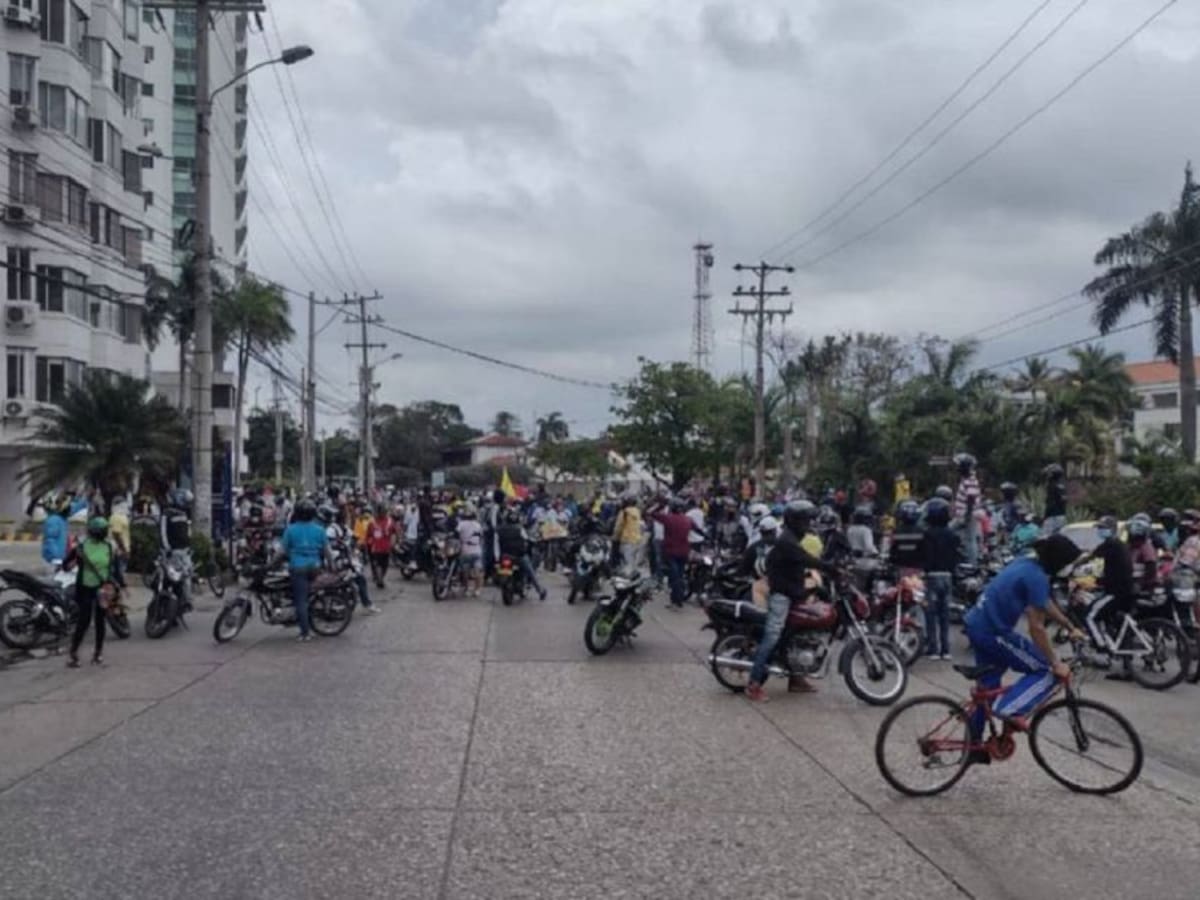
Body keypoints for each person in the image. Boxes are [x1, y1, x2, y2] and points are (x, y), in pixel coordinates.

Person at [962, 533, 1085, 762]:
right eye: (1068, 563)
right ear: (1058, 561)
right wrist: (1055, 662)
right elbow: (1036, 628)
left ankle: (973, 747)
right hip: (993, 632)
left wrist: (1068, 626)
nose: (1069, 568)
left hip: (976, 624)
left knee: (986, 690)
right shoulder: (1036, 577)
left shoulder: (1025, 563)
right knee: (1044, 669)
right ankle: (1010, 710)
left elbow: (1044, 602)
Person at [746, 501, 840, 702]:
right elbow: (806, 559)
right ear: (795, 521)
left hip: (793, 592)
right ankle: (754, 683)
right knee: (773, 637)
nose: (808, 525)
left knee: (798, 633)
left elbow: (797, 565)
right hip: (781, 597)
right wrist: (830, 568)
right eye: (805, 521)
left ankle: (796, 679)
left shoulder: (791, 539)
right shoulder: (787, 541)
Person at [62, 516, 124, 667]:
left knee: (100, 621)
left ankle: (98, 653)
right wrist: (73, 562)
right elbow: (65, 565)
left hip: (102, 589)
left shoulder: (109, 547)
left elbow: (115, 568)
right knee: (84, 621)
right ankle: (74, 653)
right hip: (85, 588)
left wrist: (121, 585)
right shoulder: (81, 547)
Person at [278, 499, 328, 642]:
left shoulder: (291, 530)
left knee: (300, 601)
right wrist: (331, 566)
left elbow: (281, 552)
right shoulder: (320, 529)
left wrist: (270, 564)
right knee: (307, 595)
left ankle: (305, 633)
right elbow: (327, 551)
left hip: (298, 568)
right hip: (315, 567)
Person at [920, 498, 959, 660]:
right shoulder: (952, 535)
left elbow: (924, 556)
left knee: (931, 614)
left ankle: (933, 649)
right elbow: (956, 556)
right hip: (947, 576)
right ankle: (946, 649)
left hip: (931, 576)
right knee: (945, 614)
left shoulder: (927, 535)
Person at [320, 505, 377, 614]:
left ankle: (366, 603)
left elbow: (354, 538)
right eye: (345, 516)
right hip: (335, 561)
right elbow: (330, 546)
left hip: (346, 559)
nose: (347, 518)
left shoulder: (344, 528)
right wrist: (342, 545)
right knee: (352, 580)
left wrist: (354, 545)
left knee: (360, 578)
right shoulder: (331, 530)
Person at [648, 498, 703, 610]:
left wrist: (660, 504)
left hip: (671, 552)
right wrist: (707, 538)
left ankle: (676, 601)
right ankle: (678, 600)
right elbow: (698, 530)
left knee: (675, 577)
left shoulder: (668, 518)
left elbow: (650, 513)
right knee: (680, 575)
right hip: (684, 552)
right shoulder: (688, 519)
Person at [496, 507, 547, 601]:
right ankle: (540, 590)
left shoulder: (499, 529)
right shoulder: (520, 529)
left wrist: (497, 557)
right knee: (531, 572)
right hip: (519, 556)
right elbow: (527, 539)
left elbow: (496, 544)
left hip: (505, 555)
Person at [160, 488, 194, 611]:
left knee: (186, 577)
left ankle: (185, 602)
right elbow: (163, 532)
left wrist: (189, 546)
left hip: (184, 551)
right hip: (171, 552)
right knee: (168, 578)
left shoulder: (184, 514)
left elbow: (188, 531)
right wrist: (167, 548)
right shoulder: (167, 514)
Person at [952, 453, 981, 565]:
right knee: (965, 538)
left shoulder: (970, 480)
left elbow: (971, 499)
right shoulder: (966, 479)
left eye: (959, 466)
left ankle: (972, 564)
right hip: (964, 514)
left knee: (970, 540)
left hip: (967, 515)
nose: (957, 468)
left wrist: (967, 516)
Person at [366, 504, 396, 588]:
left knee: (384, 565)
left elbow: (393, 533)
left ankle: (380, 578)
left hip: (385, 547)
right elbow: (368, 535)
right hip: (376, 548)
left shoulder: (389, 521)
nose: (382, 513)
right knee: (379, 564)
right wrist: (369, 544)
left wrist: (392, 543)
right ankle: (380, 579)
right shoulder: (372, 522)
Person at [457, 505, 484, 597]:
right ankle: (477, 589)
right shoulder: (478, 525)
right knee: (478, 571)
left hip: (465, 551)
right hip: (477, 550)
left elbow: (456, 533)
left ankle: (467, 588)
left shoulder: (461, 524)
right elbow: (481, 537)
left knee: (465, 572)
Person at [612, 497, 644, 570]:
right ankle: (633, 572)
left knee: (625, 558)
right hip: (636, 538)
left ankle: (628, 574)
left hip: (626, 538)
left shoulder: (624, 512)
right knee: (632, 558)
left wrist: (615, 537)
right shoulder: (637, 511)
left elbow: (619, 526)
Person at [41, 498, 69, 572]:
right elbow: (50, 540)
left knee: (56, 575)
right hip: (54, 557)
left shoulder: (58, 520)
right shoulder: (55, 520)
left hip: (56, 556)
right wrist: (57, 558)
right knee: (54, 576)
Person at [1042, 464, 1067, 535]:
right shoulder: (1062, 486)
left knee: (1046, 537)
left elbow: (1051, 504)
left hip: (1052, 517)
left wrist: (1045, 516)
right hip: (1061, 516)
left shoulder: (1052, 487)